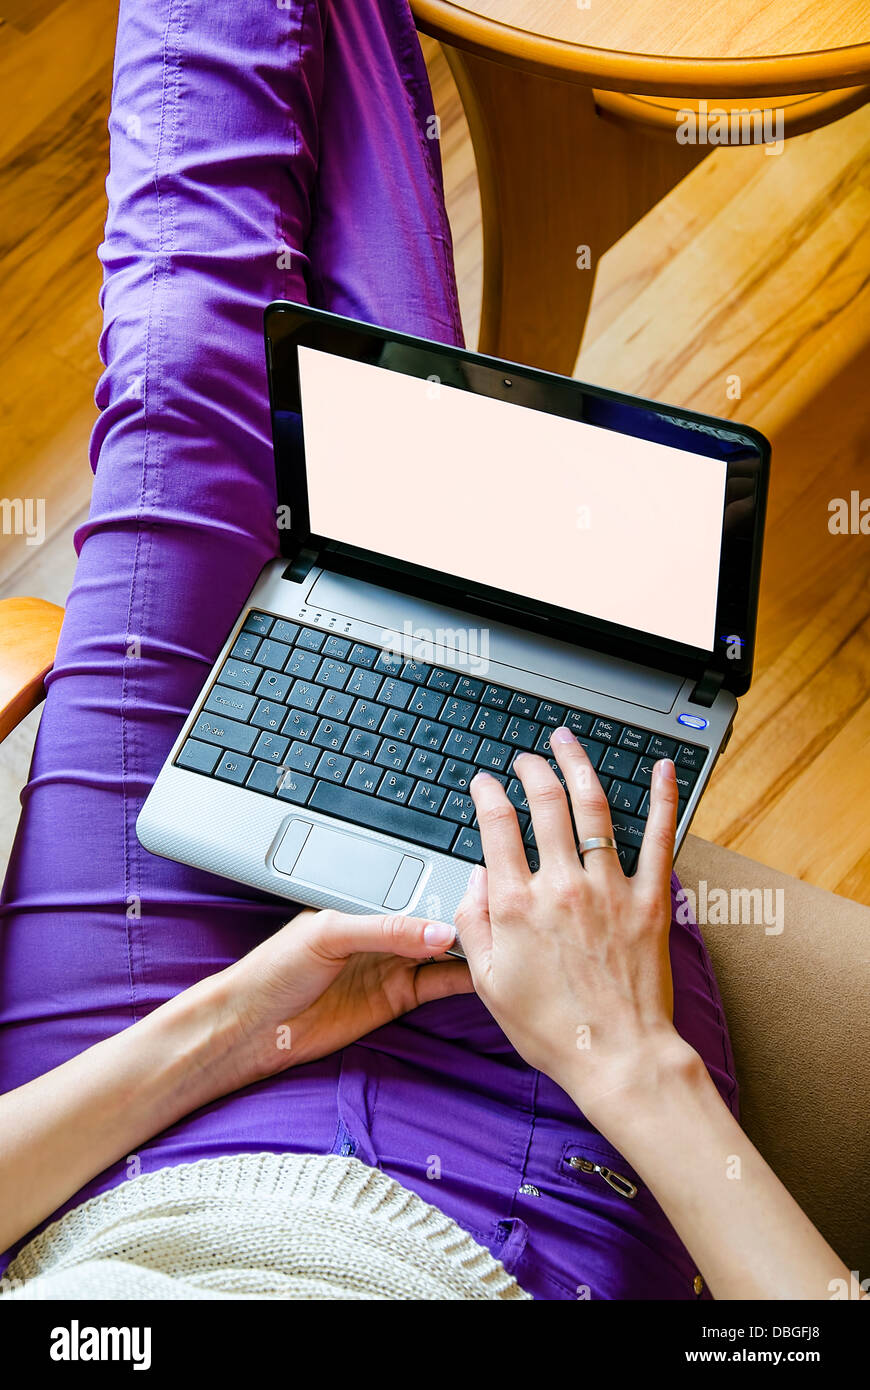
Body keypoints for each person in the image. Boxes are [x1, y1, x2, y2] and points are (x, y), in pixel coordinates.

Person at [0, 0, 856, 1301]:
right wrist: (630, 1060)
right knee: (457, 542)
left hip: (106, 1131)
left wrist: (230, 1025)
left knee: (182, 366)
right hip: (544, 1191)